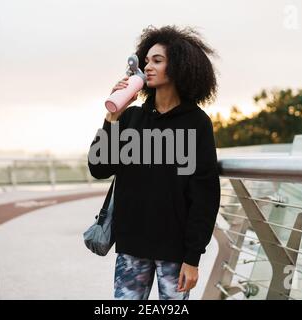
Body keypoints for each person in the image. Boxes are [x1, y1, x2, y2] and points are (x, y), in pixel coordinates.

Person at [88, 25, 220, 300]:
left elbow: (205, 195)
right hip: (131, 246)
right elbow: (99, 168)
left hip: (175, 252)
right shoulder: (132, 118)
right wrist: (113, 116)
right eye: (146, 60)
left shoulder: (196, 123)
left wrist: (193, 258)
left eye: (157, 61)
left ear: (180, 67)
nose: (147, 67)